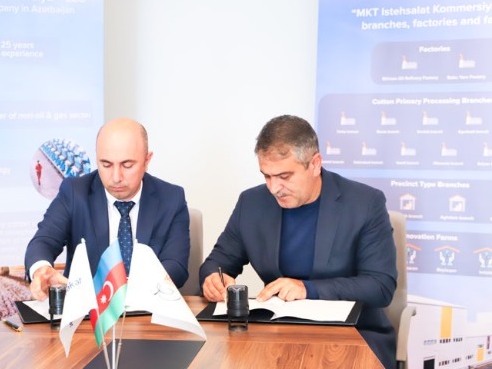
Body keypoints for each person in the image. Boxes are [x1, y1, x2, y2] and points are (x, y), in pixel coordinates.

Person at [199, 115, 397, 369]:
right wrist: (214, 279)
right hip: (276, 335)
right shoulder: (252, 203)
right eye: (267, 176)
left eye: (284, 176)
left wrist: (308, 289)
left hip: (352, 334)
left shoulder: (365, 203)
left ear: (315, 164)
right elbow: (217, 261)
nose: (274, 188)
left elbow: (380, 286)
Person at [25, 118, 191, 300]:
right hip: (88, 310)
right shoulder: (74, 192)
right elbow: (43, 241)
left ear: (147, 160)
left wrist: (133, 289)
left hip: (148, 307)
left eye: (127, 165)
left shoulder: (171, 198)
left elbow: (176, 265)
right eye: (106, 164)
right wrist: (41, 269)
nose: (116, 177)